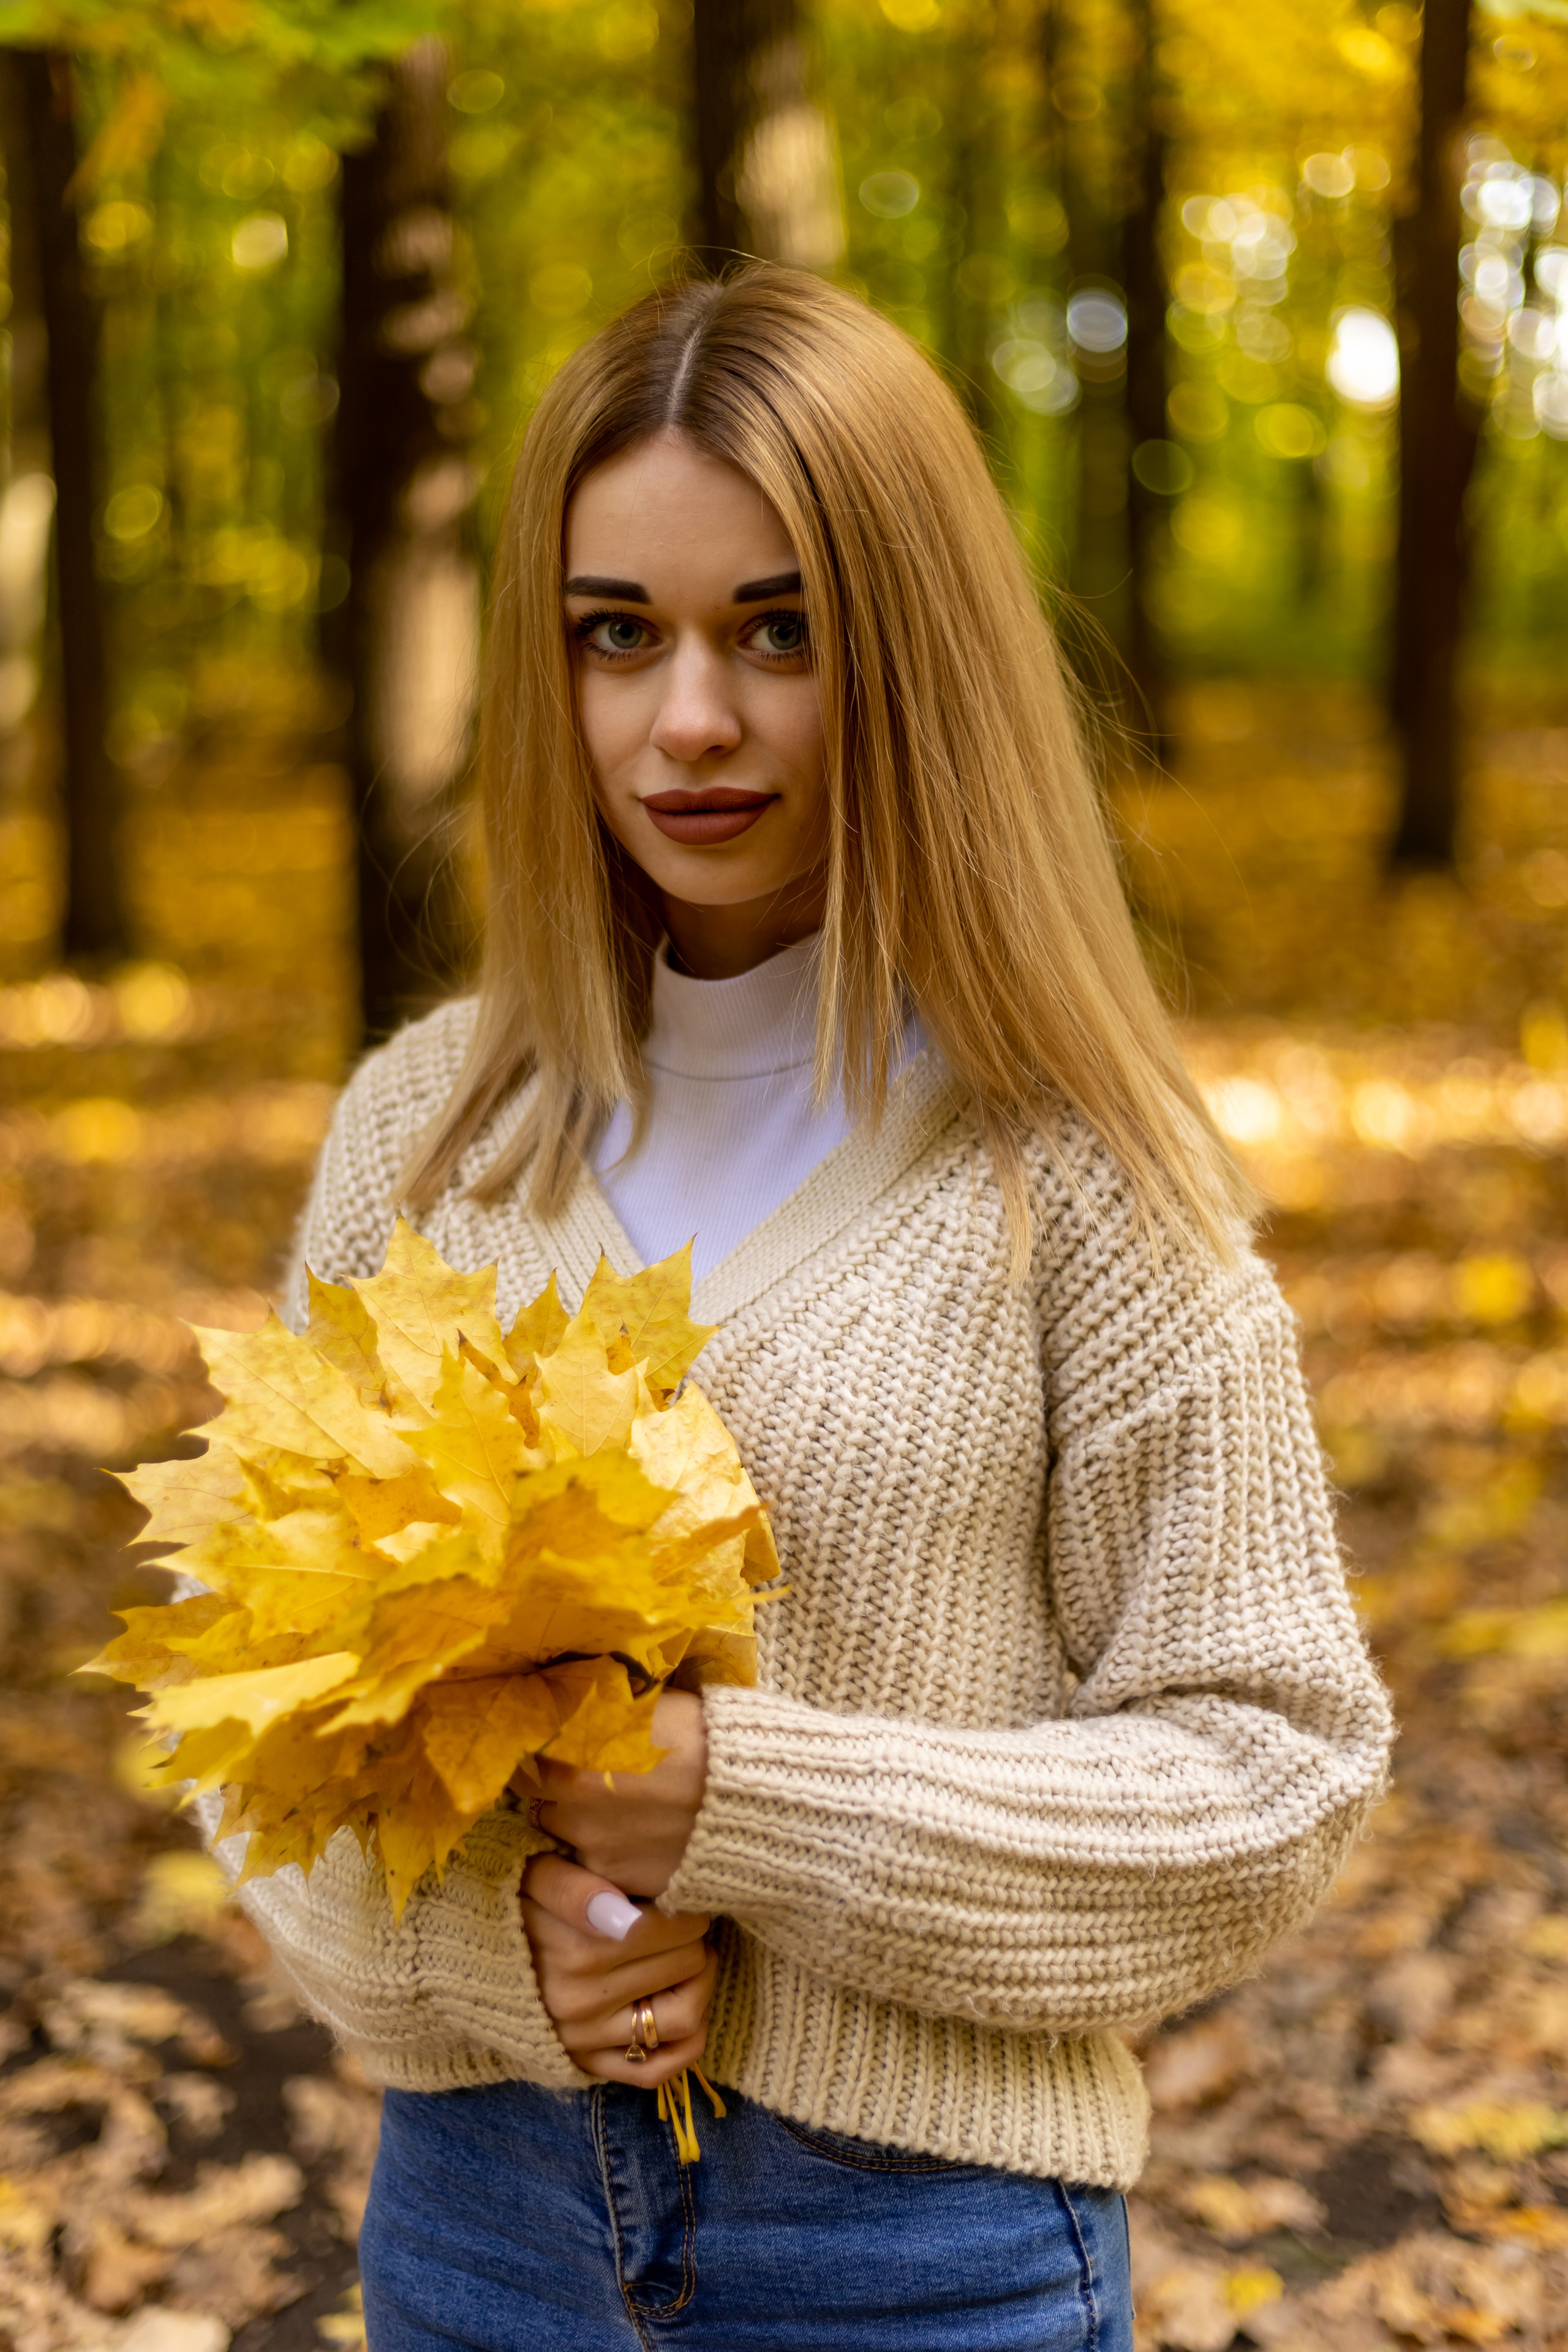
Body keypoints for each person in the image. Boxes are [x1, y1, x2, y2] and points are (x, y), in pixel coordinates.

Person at [217, 266, 1392, 2351]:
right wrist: (522, 1953)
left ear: (910, 657)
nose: (690, 719)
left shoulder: (1079, 1172)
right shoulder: (421, 1135)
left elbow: (1271, 1769)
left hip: (921, 2259)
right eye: (618, 635)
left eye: (780, 630)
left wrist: (741, 1804)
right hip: (479, 2239)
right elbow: (266, 1759)